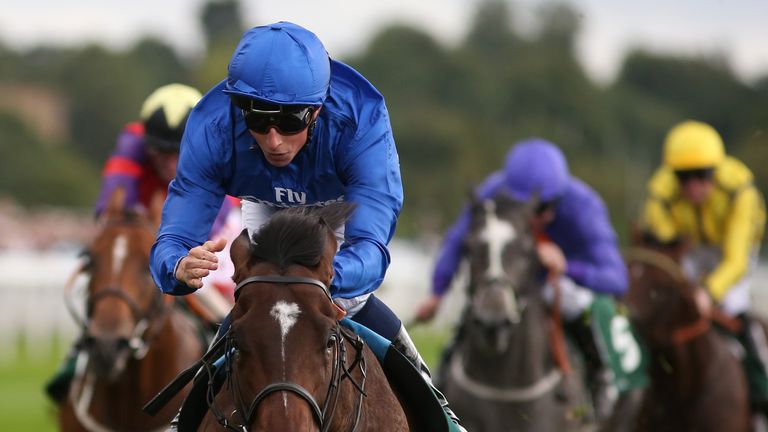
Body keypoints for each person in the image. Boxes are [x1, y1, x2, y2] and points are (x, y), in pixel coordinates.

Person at [148, 22, 465, 431]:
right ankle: (185, 420)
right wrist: (176, 265)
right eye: (258, 121)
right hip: (266, 207)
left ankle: (442, 412)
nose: (274, 141)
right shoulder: (212, 125)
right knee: (257, 303)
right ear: (239, 108)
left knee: (350, 301)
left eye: (290, 122)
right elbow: (174, 235)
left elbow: (371, 247)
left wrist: (324, 275)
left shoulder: (361, 118)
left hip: (339, 211)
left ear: (316, 110)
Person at [416, 138, 642, 421]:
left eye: (543, 207)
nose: (534, 215)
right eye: (524, 206)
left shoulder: (585, 208)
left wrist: (566, 267)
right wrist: (437, 293)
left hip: (557, 283)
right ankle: (443, 375)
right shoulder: (493, 190)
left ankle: (600, 379)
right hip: (512, 281)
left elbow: (616, 280)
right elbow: (458, 239)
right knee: (483, 298)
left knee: (572, 300)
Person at [44, 83, 237, 404]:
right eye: (161, 153)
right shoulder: (132, 142)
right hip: (146, 239)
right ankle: (79, 357)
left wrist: (176, 258)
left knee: (223, 307)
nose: (171, 165)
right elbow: (111, 208)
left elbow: (205, 231)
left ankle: (232, 356)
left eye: (179, 153)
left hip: (203, 241)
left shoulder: (219, 147)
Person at [640, 119, 768, 415]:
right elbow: (664, 248)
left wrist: (708, 292)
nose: (693, 186)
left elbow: (736, 259)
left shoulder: (740, 193)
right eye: (683, 177)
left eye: (702, 175)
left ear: (716, 171)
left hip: (732, 249)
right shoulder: (660, 194)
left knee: (733, 306)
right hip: (691, 248)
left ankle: (760, 383)